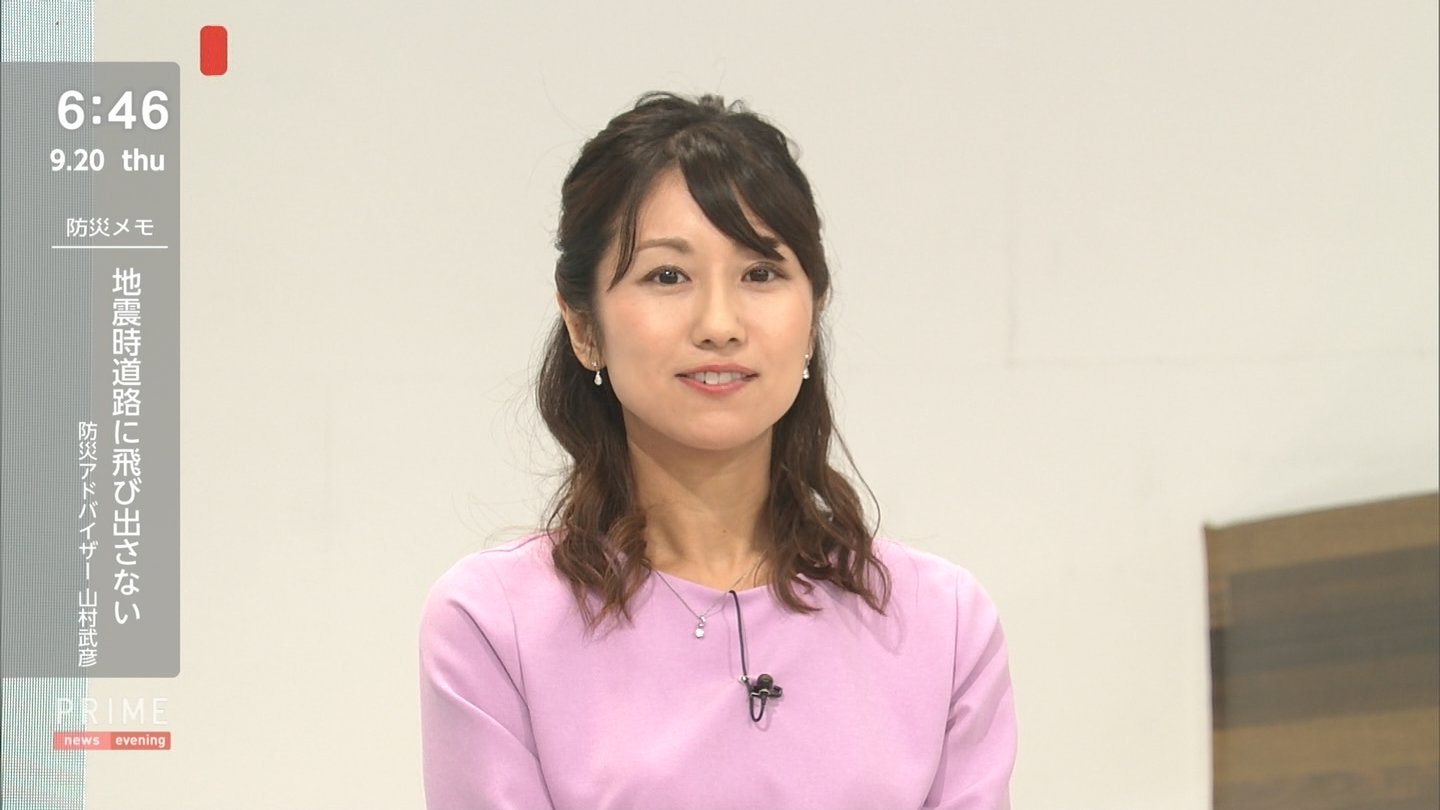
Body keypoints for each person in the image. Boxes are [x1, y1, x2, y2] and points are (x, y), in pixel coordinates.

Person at [418, 91, 1016, 810]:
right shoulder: (494, 623)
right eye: (667, 276)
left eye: (761, 273)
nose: (720, 323)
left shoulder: (942, 622)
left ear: (813, 314)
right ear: (583, 326)